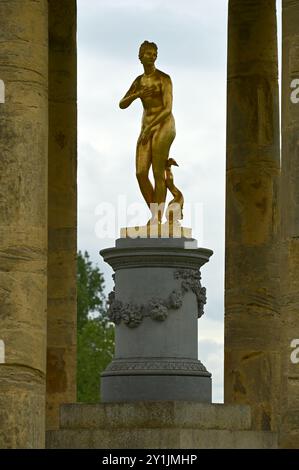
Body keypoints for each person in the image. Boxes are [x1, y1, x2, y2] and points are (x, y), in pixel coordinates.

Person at [119, 41, 176, 225]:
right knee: (141, 173)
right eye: (149, 53)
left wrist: (151, 128)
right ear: (140, 56)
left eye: (154, 54)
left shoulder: (164, 79)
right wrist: (137, 94)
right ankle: (156, 213)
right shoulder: (139, 81)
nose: (152, 56)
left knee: (157, 172)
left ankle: (156, 218)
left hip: (164, 125)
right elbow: (122, 104)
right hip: (146, 127)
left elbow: (167, 109)